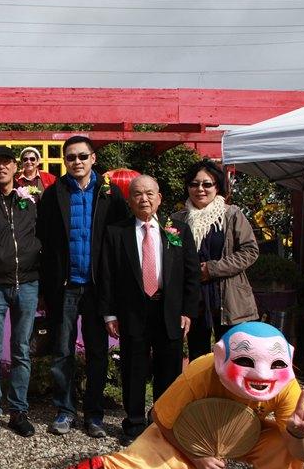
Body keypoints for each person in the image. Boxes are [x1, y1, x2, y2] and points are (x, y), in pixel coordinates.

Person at [6, 323, 304, 469]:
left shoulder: (286, 388)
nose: (261, 374)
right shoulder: (201, 372)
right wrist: (197, 456)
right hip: (184, 437)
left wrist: (297, 434)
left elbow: (303, 455)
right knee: (125, 465)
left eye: (274, 364)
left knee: (283, 446)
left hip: (246, 435)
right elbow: (160, 416)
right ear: (220, 357)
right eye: (245, 361)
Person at [37, 135, 128, 438]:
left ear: (93, 159)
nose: (76, 162)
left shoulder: (111, 194)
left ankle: (94, 414)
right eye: (71, 157)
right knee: (62, 351)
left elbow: (119, 242)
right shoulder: (53, 195)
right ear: (65, 162)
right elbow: (44, 241)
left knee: (98, 352)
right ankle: (64, 411)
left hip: (97, 288)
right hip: (65, 286)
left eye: (82, 156)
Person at [99, 174, 200, 441]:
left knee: (169, 369)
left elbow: (191, 275)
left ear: (159, 198)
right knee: (133, 368)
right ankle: (133, 424)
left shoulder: (178, 230)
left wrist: (188, 311)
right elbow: (107, 274)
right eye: (137, 194)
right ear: (130, 200)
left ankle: (162, 422)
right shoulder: (116, 232)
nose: (144, 199)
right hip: (132, 310)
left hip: (169, 310)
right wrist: (110, 312)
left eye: (149, 193)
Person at [0, 146, 42, 440]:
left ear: (16, 167)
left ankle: (18, 410)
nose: (1, 167)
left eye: (6, 162)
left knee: (22, 349)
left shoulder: (30, 200)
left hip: (26, 282)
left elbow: (42, 235)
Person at [171, 159, 258, 361]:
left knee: (234, 358)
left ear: (216, 187)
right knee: (198, 357)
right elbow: (171, 256)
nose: (200, 189)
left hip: (229, 299)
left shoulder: (231, 214)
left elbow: (250, 251)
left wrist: (212, 269)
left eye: (206, 184)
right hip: (194, 298)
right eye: (194, 184)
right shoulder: (177, 219)